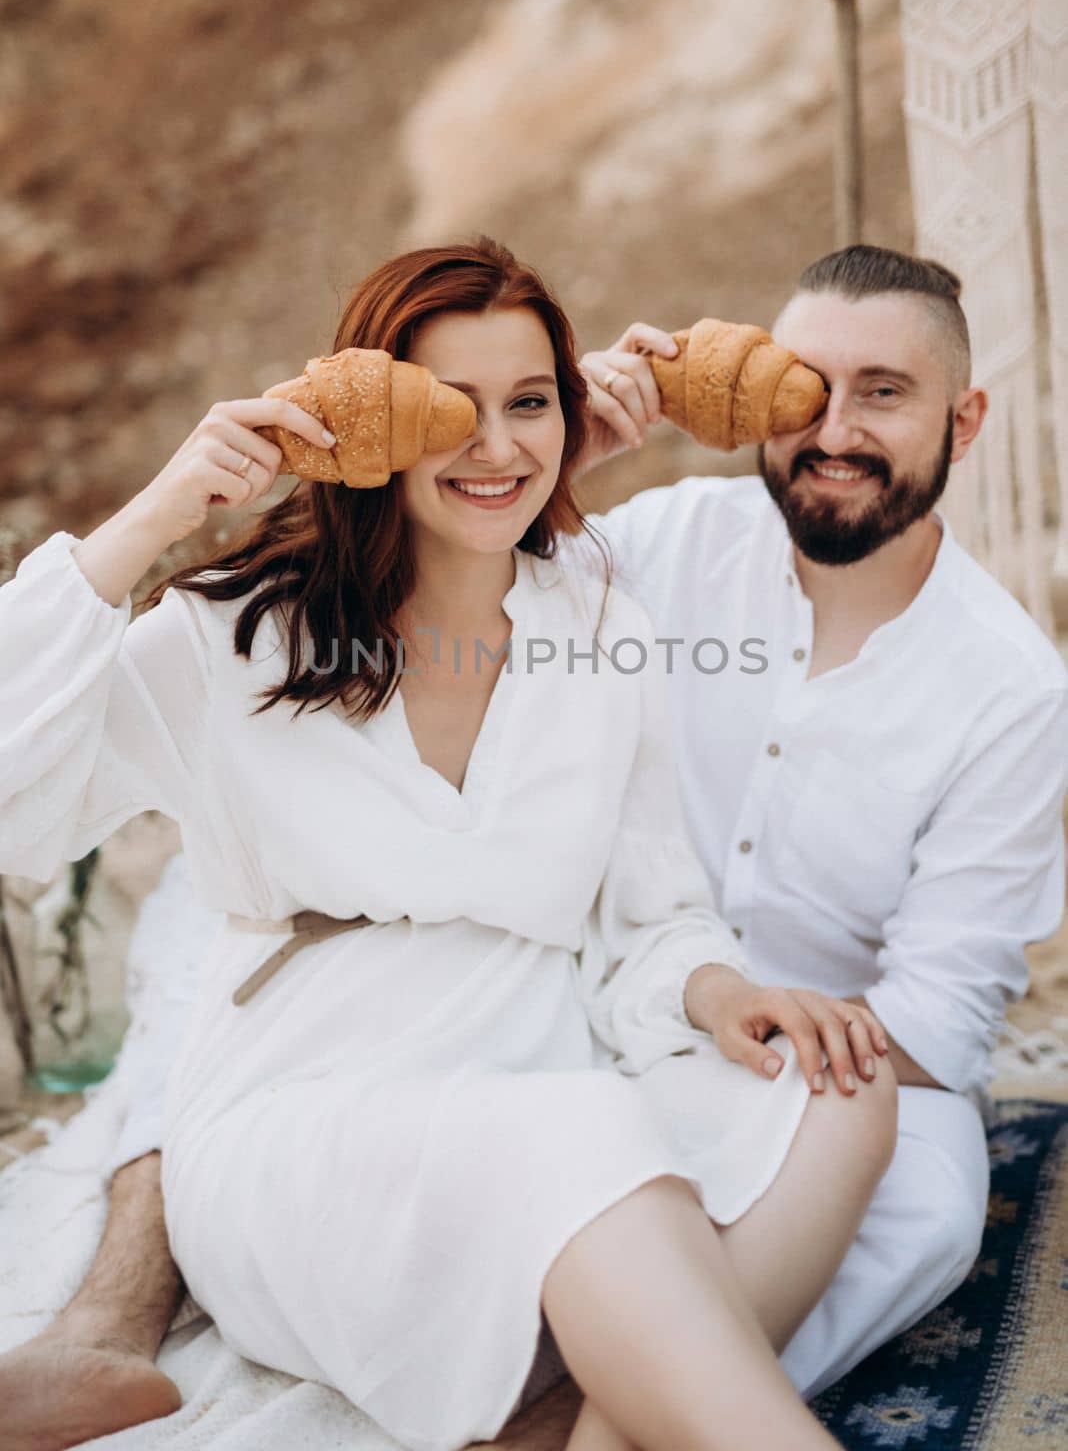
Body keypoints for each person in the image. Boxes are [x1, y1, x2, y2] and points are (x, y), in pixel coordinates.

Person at [0, 238, 898, 1451]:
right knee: (576, 1136)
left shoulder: (599, 624)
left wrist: (723, 988)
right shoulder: (236, 638)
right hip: (304, 1108)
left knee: (844, 1085)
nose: (497, 447)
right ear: (374, 421)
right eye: (453, 409)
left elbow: (647, 910)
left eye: (530, 403)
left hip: (537, 1058)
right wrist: (156, 515)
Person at [574, 244, 1068, 1402]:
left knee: (935, 1209)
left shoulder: (1014, 688)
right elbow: (452, 612)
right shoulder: (668, 538)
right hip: (600, 995)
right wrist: (570, 466)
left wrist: (769, 1042)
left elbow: (938, 1013)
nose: (832, 428)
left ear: (965, 418)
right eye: (805, 387)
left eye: (884, 392)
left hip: (832, 1073)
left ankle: (615, 1409)